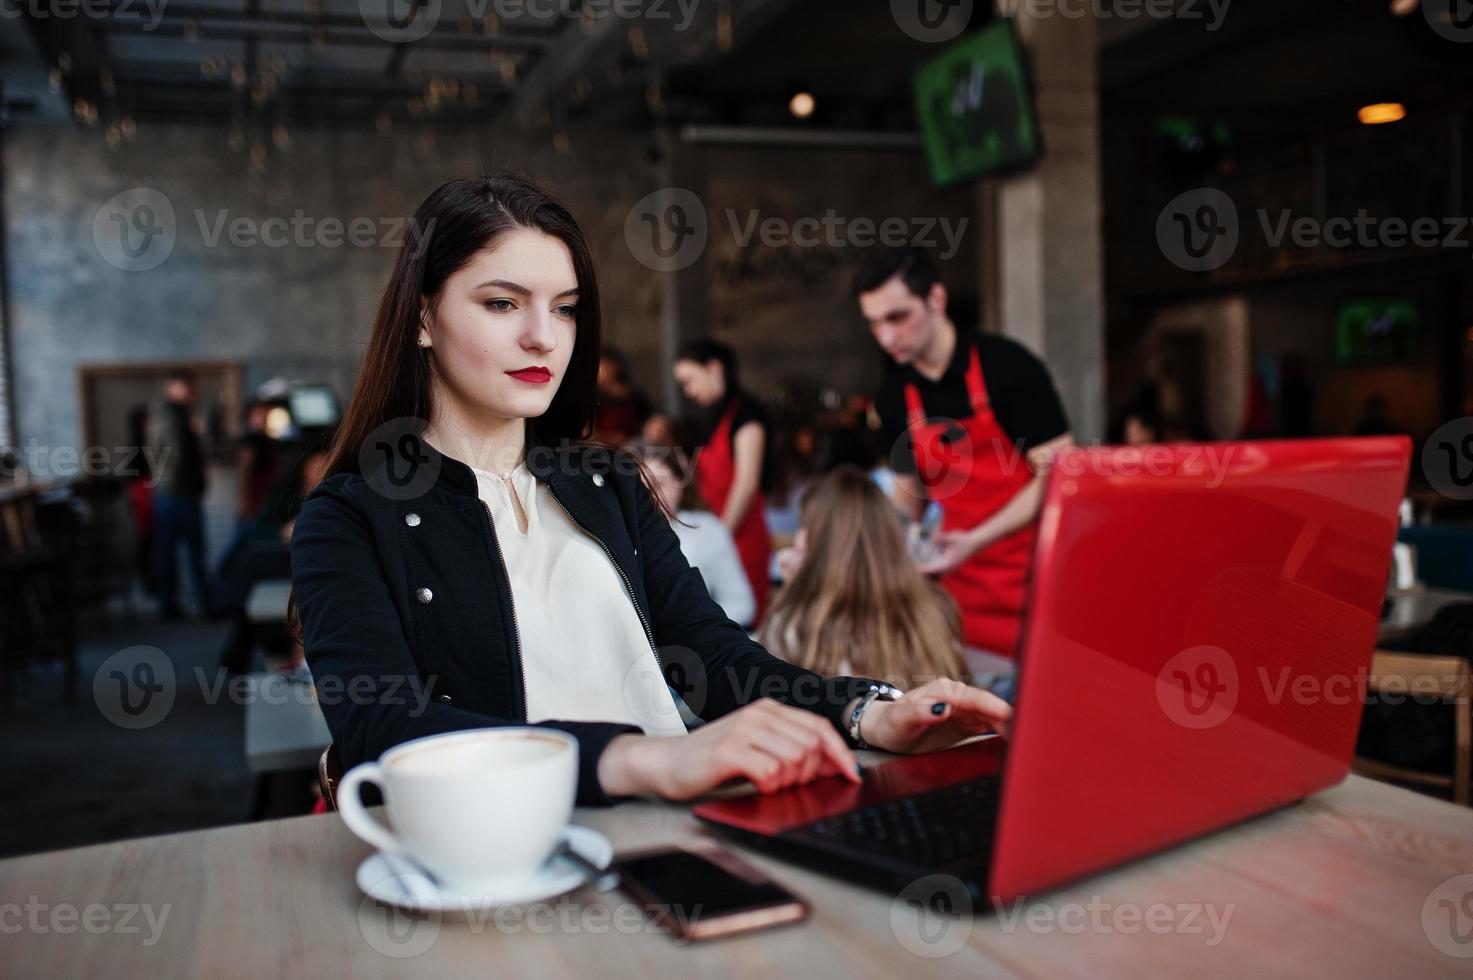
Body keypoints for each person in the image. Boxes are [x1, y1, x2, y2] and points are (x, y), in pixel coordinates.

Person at [290, 173, 1010, 807]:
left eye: (565, 307)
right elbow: (384, 727)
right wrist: (640, 756)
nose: (546, 337)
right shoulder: (349, 515)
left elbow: (710, 654)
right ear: (422, 317)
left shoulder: (604, 482)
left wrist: (865, 712)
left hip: (664, 836)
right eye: (503, 303)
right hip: (502, 856)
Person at [855, 246, 1072, 669]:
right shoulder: (894, 393)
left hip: (1042, 578)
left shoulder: (1008, 366)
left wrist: (975, 539)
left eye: (897, 317)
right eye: (874, 323)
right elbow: (910, 499)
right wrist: (866, 546)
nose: (885, 337)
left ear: (936, 299)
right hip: (965, 592)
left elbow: (1059, 475)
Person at [760, 466, 968, 691]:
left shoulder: (793, 627)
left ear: (815, 543)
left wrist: (794, 594)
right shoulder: (933, 609)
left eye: (803, 526)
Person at [673, 338, 773, 621]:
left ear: (715, 369)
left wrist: (720, 539)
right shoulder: (714, 418)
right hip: (719, 530)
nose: (688, 391)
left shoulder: (747, 416)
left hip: (740, 535)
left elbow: (746, 484)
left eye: (690, 380)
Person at [628, 441, 755, 628]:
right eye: (639, 487)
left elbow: (743, 605)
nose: (650, 495)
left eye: (659, 483)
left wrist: (692, 628)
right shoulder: (612, 533)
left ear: (680, 484)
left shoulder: (706, 530)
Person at [146, 369, 212, 619]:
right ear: (173, 386)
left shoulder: (165, 413)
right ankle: (202, 604)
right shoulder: (172, 415)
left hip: (169, 490)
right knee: (190, 551)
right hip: (177, 492)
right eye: (188, 387)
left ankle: (171, 604)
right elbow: (178, 455)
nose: (193, 393)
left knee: (169, 551)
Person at [591, 348, 652, 445]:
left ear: (616, 365)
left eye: (602, 364)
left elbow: (646, 425)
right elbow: (590, 435)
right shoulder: (593, 399)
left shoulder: (635, 397)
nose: (598, 370)